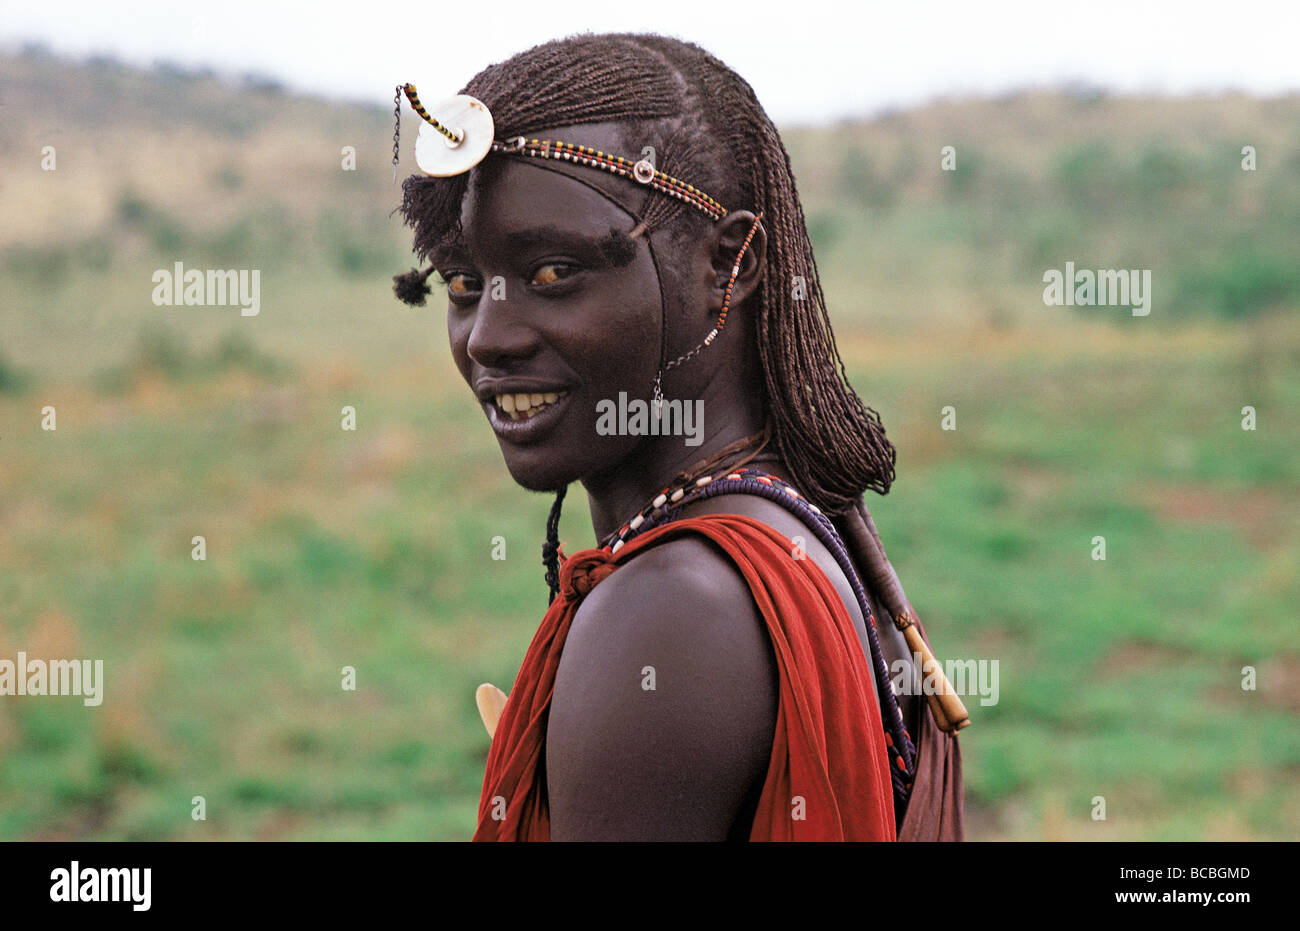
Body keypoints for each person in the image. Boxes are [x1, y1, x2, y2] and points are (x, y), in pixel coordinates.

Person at [393, 32, 964, 841]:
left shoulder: (671, 610)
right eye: (463, 281)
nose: (488, 335)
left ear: (726, 266)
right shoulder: (800, 526)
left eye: (554, 272)